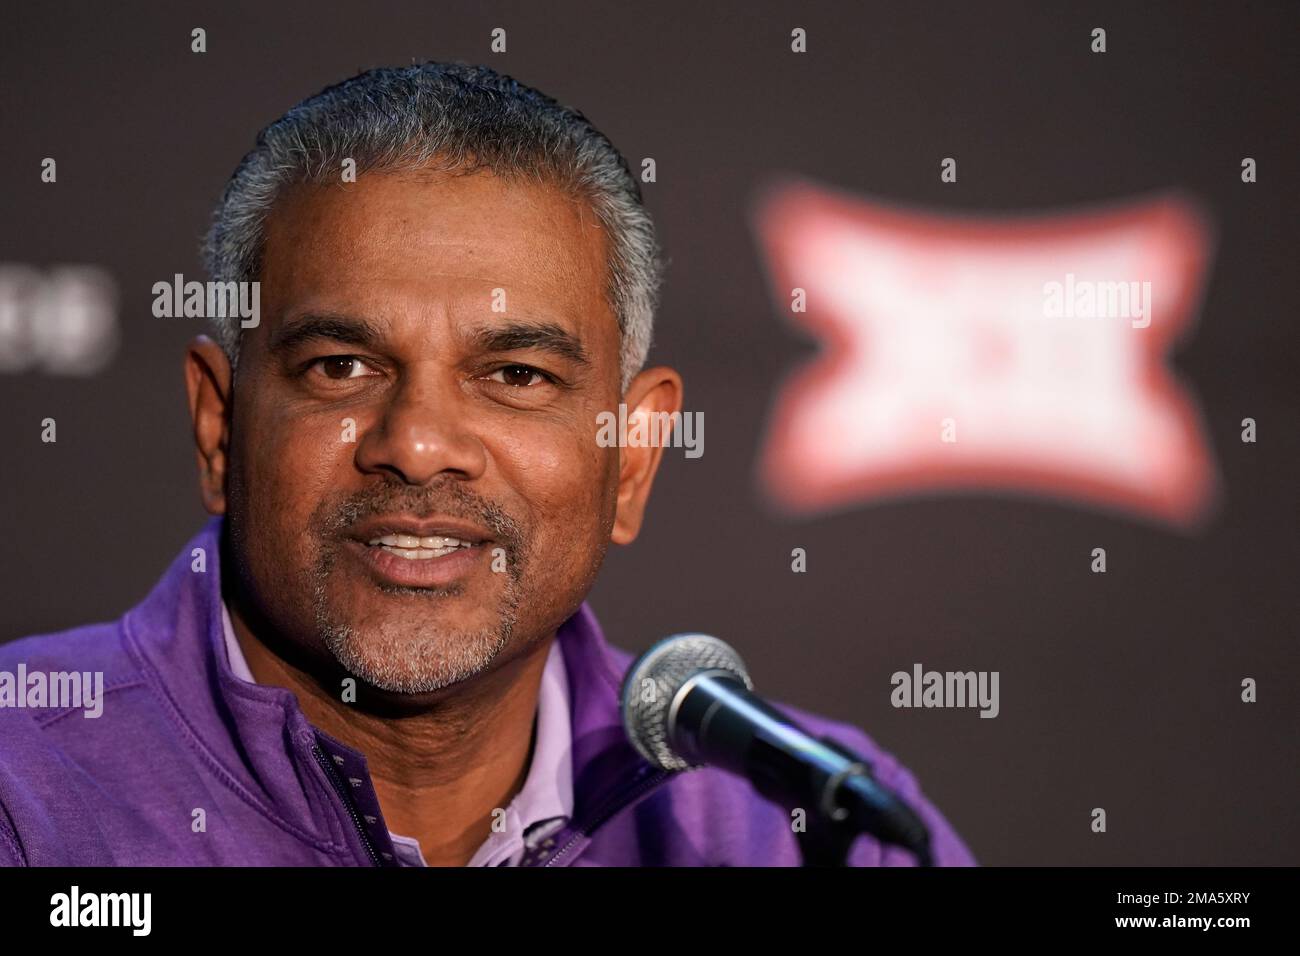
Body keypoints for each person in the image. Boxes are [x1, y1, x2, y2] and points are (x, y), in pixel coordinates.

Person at [0, 62, 974, 866]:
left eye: (514, 373)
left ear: (632, 453)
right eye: (340, 366)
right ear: (219, 426)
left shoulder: (794, 825)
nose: (418, 442)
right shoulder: (23, 785)